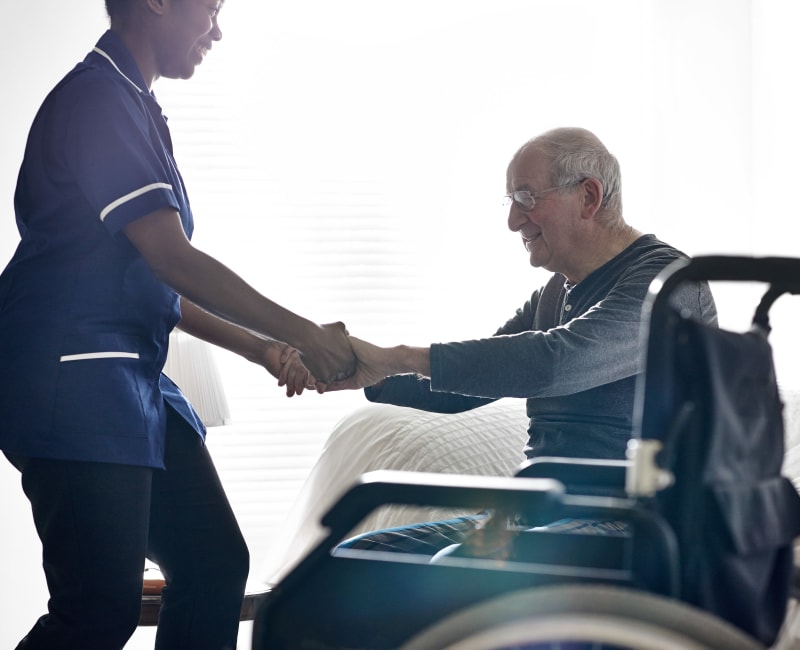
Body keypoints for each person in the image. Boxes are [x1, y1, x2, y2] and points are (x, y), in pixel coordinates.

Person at [0, 2, 355, 648]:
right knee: (96, 610)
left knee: (213, 563)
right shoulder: (95, 102)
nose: (217, 29)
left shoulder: (137, 108)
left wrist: (263, 348)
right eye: (211, 9)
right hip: (71, 383)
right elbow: (173, 258)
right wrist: (307, 333)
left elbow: (154, 277)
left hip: (130, 381)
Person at [324, 126, 718, 555]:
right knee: (358, 560)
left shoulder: (667, 285)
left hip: (630, 520)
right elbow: (467, 388)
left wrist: (397, 356)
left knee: (454, 569)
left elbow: (554, 363)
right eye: (511, 201)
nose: (513, 221)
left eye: (526, 198)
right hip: (541, 513)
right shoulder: (555, 291)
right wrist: (363, 367)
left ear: (588, 197)